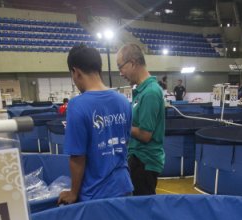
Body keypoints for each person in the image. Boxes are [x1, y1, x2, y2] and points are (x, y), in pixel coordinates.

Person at [57, 45, 133, 205]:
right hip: (124, 187)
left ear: (76, 72)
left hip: (97, 195)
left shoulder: (77, 105)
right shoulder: (123, 101)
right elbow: (124, 142)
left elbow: (78, 158)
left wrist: (73, 192)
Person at [117, 43, 165, 196]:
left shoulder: (150, 92)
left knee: (142, 210)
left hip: (145, 162)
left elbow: (145, 134)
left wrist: (121, 125)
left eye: (121, 67)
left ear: (132, 63)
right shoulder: (141, 90)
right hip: (138, 159)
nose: (120, 73)